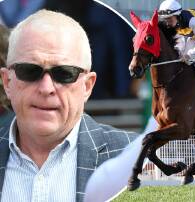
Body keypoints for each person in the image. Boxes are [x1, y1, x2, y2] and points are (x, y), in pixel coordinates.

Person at [0, 10, 138, 202]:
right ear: (7, 82)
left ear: (87, 86)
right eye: (29, 71)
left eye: (64, 73)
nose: (46, 88)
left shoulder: (135, 157)